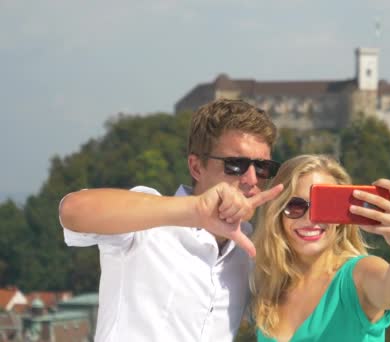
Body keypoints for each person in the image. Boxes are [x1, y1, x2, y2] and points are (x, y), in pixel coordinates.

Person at [58, 99, 284, 341]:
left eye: (262, 168)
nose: (251, 179)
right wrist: (196, 209)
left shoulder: (251, 252)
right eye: (236, 165)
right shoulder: (148, 226)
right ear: (196, 167)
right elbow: (72, 211)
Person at [250, 154, 390, 341]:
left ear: (341, 218)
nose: (310, 218)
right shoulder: (269, 288)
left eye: (324, 206)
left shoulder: (357, 275)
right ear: (278, 213)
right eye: (295, 206)